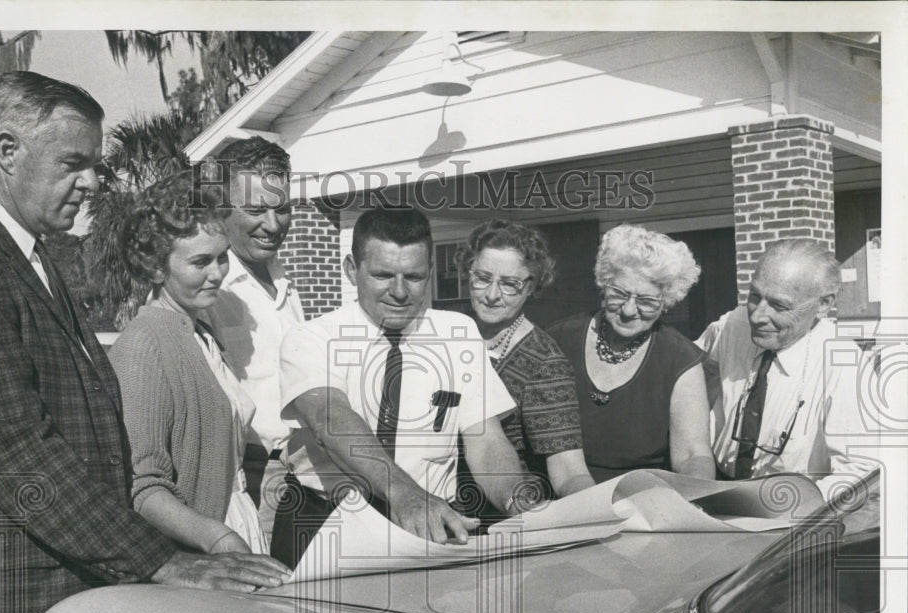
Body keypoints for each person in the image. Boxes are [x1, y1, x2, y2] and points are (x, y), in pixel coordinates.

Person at [0, 71, 288, 613]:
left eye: (95, 165)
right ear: (7, 150)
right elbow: (15, 453)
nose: (94, 182)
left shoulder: (32, 257)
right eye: (73, 163)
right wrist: (164, 561)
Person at [272, 207, 532, 569]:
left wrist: (518, 503)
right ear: (351, 269)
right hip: (326, 523)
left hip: (429, 527)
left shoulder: (457, 332)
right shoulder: (311, 337)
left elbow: (486, 440)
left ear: (429, 272)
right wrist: (404, 494)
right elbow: (330, 418)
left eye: (413, 277)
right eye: (382, 275)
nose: (398, 292)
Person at [108, 171, 291, 561]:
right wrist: (217, 539)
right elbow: (142, 487)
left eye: (222, 257)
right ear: (155, 267)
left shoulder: (202, 333)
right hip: (198, 546)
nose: (218, 273)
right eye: (200, 262)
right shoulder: (144, 344)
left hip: (234, 522)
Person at [695, 238, 877, 500]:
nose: (757, 316)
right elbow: (688, 377)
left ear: (824, 304)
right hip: (716, 487)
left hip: (793, 507)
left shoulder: (844, 363)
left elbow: (861, 470)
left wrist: (795, 508)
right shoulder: (732, 325)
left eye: (779, 306)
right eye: (754, 296)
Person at [549, 224, 715, 483]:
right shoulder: (558, 341)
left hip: (645, 496)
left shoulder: (680, 358)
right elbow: (562, 462)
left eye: (646, 301)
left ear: (666, 302)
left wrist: (695, 492)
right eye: (619, 294)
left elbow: (692, 453)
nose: (628, 310)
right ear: (603, 286)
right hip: (567, 490)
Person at [456, 220, 594, 511]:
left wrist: (594, 512)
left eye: (509, 284)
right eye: (482, 278)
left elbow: (568, 467)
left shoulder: (544, 362)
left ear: (530, 287)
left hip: (503, 516)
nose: (492, 294)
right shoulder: (450, 331)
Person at [205, 137, 304, 542]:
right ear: (222, 208)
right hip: (249, 474)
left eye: (282, 208)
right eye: (256, 210)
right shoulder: (209, 287)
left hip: (302, 471)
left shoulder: (283, 278)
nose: (273, 224)